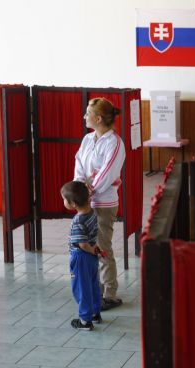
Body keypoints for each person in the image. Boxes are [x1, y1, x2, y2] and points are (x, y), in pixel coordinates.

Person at [75, 97, 126, 311]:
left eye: (87, 113)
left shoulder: (114, 143)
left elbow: (107, 173)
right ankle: (94, 288)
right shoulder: (88, 139)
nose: (84, 116)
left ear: (97, 118)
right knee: (85, 245)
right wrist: (79, 187)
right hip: (85, 202)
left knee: (102, 246)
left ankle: (110, 293)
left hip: (103, 204)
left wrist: (89, 190)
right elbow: (78, 162)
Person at [61, 181, 103, 330]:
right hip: (91, 257)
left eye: (64, 199)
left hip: (81, 257)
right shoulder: (92, 212)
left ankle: (85, 321)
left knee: (81, 287)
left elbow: (82, 244)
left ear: (72, 203)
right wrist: (95, 250)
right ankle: (95, 313)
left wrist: (91, 250)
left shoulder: (78, 221)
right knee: (93, 284)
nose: (64, 202)